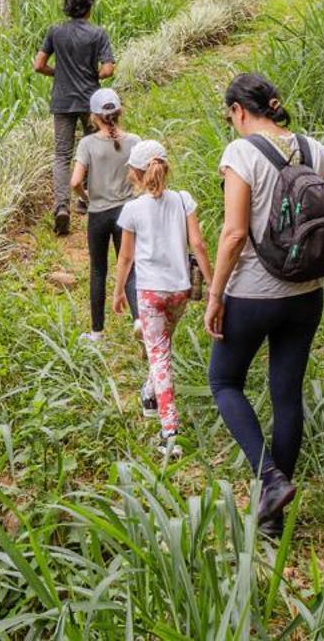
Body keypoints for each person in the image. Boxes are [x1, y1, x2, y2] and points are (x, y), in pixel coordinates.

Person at [204, 71, 324, 537]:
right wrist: (319, 209)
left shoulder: (240, 153)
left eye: (230, 116)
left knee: (223, 381)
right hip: (305, 292)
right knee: (286, 396)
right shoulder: (306, 146)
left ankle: (270, 478)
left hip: (252, 294)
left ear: (238, 111)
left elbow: (235, 232)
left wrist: (214, 294)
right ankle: (272, 518)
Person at [112, 138, 212, 459]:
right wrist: (213, 285)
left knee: (159, 356)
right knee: (161, 347)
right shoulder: (184, 200)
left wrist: (117, 293)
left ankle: (169, 432)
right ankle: (149, 393)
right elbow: (198, 244)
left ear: (138, 173)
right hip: (180, 291)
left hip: (151, 292)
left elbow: (125, 259)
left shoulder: (132, 210)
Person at [33, 0, 116, 236]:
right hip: (91, 100)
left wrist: (58, 73)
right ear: (89, 8)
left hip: (62, 100)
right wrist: (94, 75)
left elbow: (38, 65)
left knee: (61, 155)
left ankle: (61, 207)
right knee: (94, 149)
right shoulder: (97, 33)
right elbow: (108, 70)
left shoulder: (55, 32)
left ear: (67, 9)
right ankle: (87, 200)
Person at [70, 87, 139, 343]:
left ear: (93, 116)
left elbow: (75, 181)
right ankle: (139, 320)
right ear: (119, 112)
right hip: (128, 213)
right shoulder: (134, 141)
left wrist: (88, 196)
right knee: (131, 267)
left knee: (98, 269)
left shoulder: (88, 144)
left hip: (98, 213)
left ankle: (97, 332)